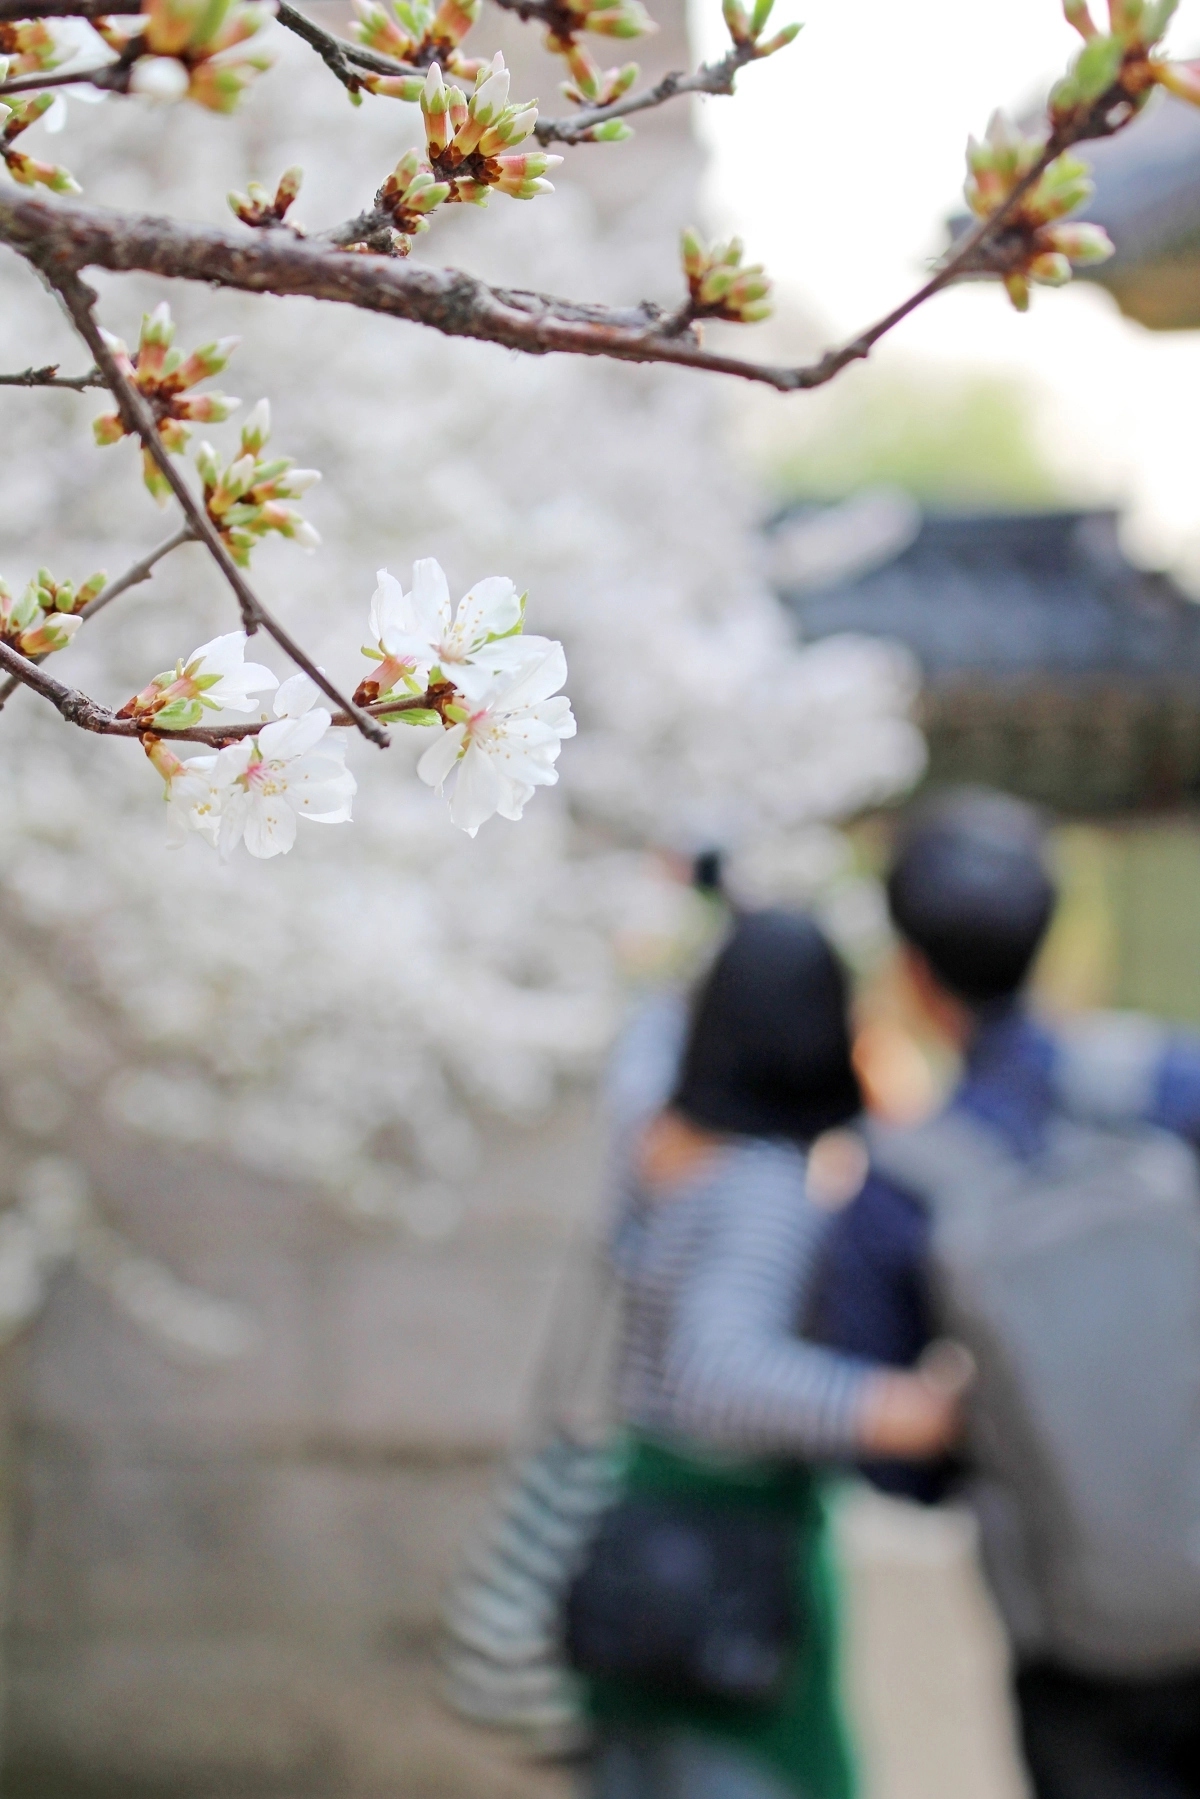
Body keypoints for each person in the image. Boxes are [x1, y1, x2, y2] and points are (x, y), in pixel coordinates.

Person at [813, 787, 1200, 1799]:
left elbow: (897, 1465)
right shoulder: (1176, 1086)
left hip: (1076, 1639)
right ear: (1057, 932)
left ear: (911, 970)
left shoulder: (901, 1186)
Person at [582, 909, 963, 1799]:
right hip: (727, 1557)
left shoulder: (660, 1142)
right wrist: (905, 1410)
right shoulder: (763, 1185)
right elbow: (717, 1372)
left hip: (642, 1537)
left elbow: (645, 1042)